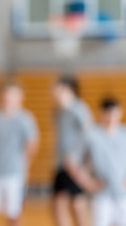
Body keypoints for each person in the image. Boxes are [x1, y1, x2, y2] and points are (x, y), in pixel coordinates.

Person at [0, 82, 39, 226]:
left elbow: (32, 144)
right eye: (6, 94)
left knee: (13, 214)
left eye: (13, 94)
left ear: (20, 97)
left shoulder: (25, 119)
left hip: (14, 173)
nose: (8, 98)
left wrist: (24, 165)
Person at [67, 97, 126, 226]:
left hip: (123, 196)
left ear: (120, 113)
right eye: (108, 113)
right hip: (102, 196)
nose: (111, 117)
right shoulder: (92, 135)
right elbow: (71, 160)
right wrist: (87, 182)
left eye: (114, 113)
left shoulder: (124, 134)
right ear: (102, 113)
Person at [52, 75, 93, 226]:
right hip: (61, 164)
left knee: (77, 205)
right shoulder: (59, 111)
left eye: (56, 88)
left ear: (68, 89)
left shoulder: (79, 108)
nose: (53, 91)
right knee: (58, 204)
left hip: (75, 165)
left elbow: (89, 135)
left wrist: (83, 165)